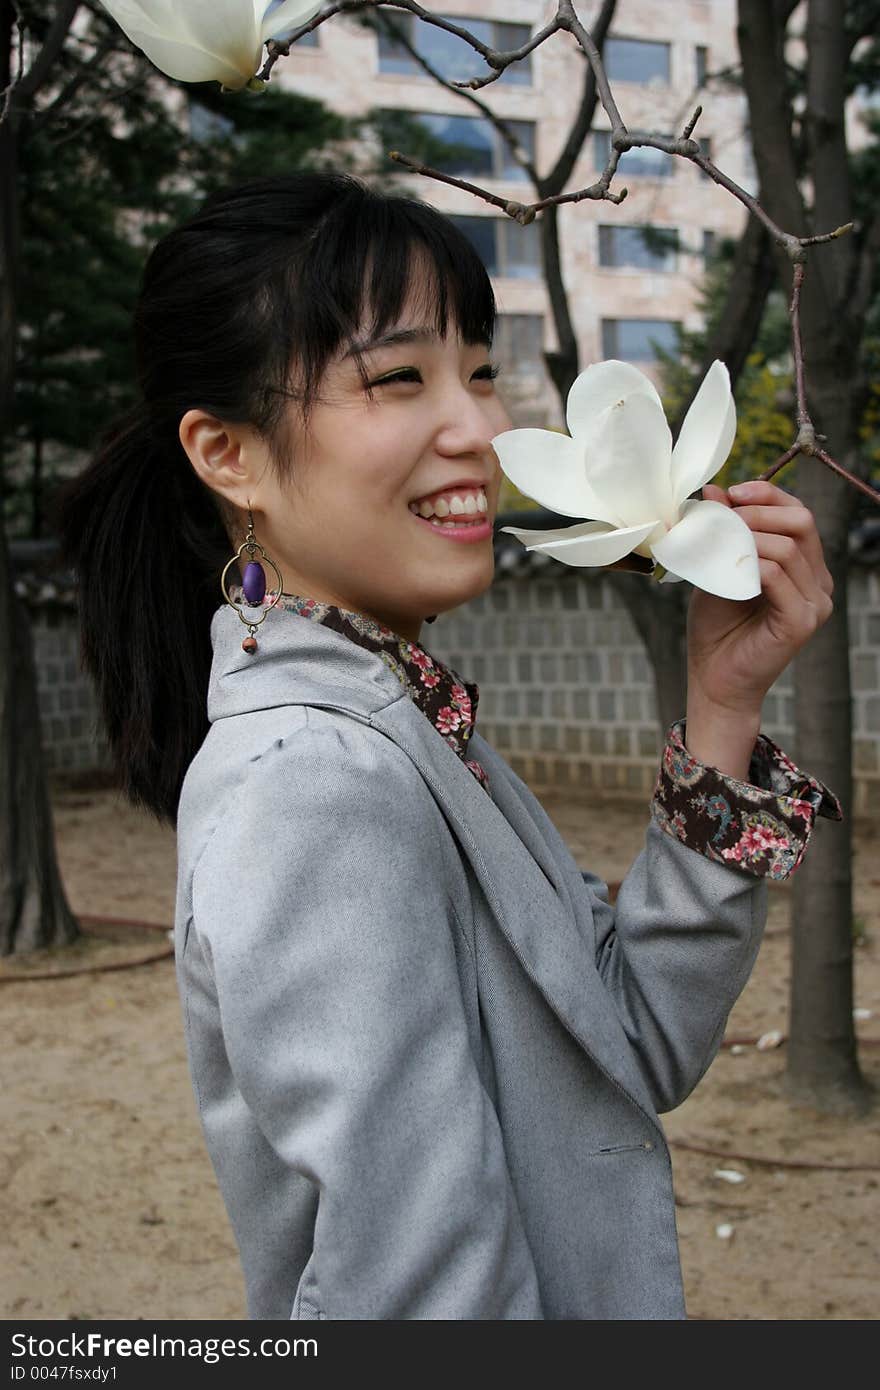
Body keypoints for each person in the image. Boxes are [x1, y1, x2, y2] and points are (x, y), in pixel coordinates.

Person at [54, 170, 842, 1321]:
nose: (478, 427)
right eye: (397, 378)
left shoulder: (400, 721)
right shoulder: (318, 783)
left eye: (478, 370)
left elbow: (630, 1040)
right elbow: (421, 1289)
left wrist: (722, 706)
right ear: (228, 454)